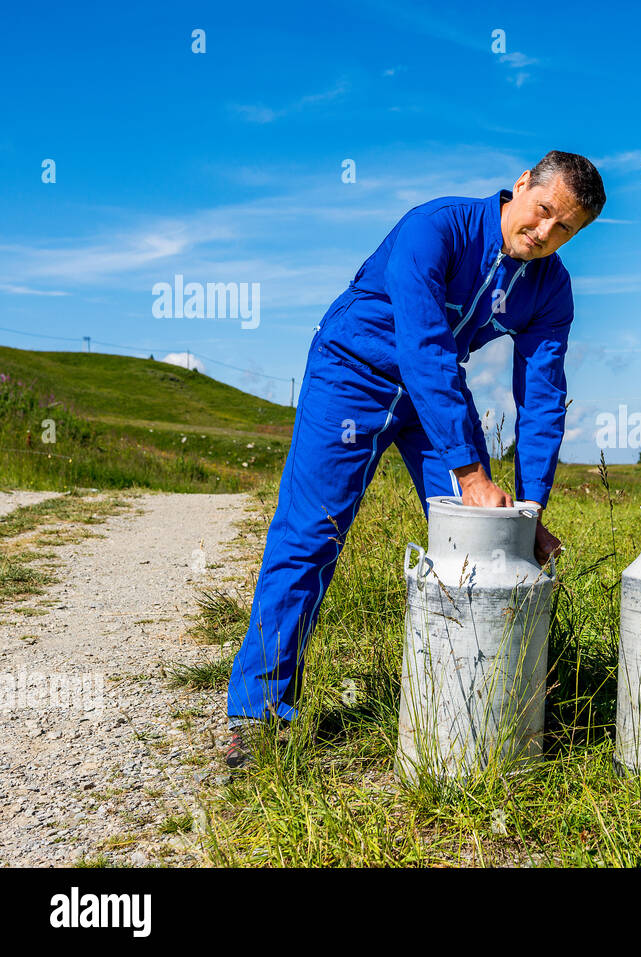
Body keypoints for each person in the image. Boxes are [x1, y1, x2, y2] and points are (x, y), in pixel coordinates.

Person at [224, 151, 605, 768]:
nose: (543, 236)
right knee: (311, 534)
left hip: (434, 396)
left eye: (564, 230)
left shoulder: (549, 286)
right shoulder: (436, 228)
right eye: (541, 214)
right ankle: (257, 716)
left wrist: (530, 510)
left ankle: (472, 713)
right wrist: (472, 471)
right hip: (353, 374)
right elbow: (424, 345)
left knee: (486, 541)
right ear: (521, 187)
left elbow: (542, 399)